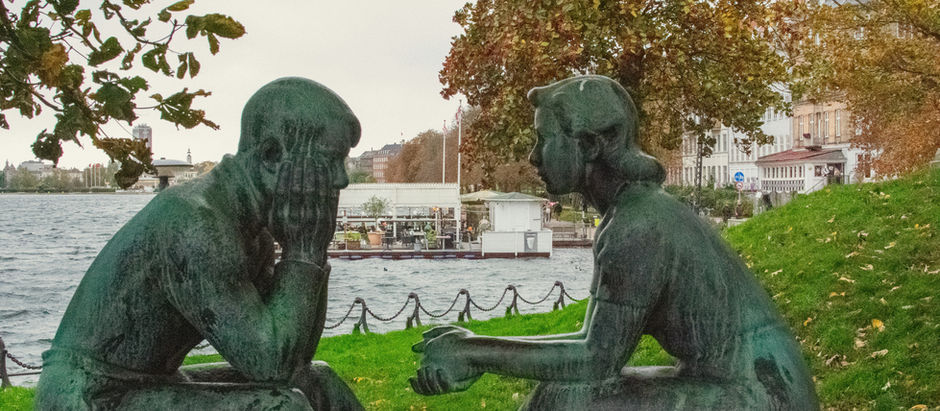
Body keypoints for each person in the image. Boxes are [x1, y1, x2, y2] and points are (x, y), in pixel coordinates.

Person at [410, 75, 817, 410]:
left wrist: (477, 353)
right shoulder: (632, 214)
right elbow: (591, 343)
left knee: (569, 401)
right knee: (563, 393)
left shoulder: (637, 228)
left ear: (588, 146)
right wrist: (475, 347)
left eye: (543, 139)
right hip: (752, 385)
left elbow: (595, 361)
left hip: (765, 397)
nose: (534, 156)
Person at [36, 78, 363, 410]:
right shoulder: (197, 223)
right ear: (271, 155)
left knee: (319, 383)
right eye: (330, 160)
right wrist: (304, 250)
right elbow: (270, 365)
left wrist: (311, 253)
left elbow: (294, 358)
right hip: (90, 395)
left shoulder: (253, 234)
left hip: (150, 382)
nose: (341, 179)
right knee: (281, 406)